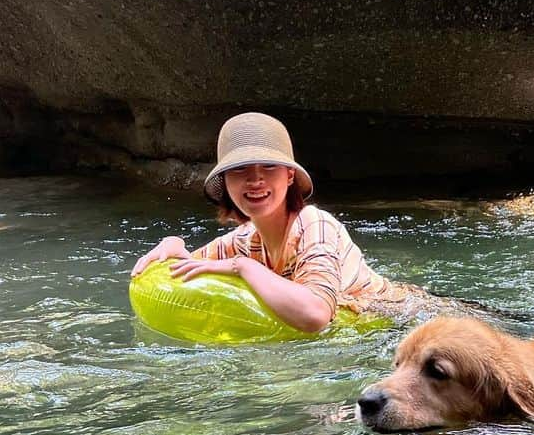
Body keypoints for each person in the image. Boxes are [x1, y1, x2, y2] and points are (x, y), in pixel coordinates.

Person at [130, 112, 427, 333]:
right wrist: (173, 243)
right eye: (240, 169)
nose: (255, 179)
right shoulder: (245, 239)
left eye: (269, 166)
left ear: (288, 176)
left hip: (408, 315)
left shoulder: (315, 224)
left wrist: (244, 268)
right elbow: (190, 264)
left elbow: (315, 315)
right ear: (226, 181)